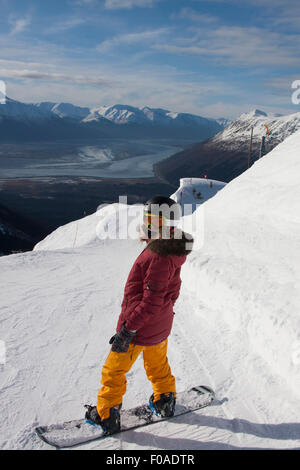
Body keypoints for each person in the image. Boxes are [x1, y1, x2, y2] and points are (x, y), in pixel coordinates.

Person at [85, 196, 194, 435]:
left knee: (114, 370)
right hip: (158, 325)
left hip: (139, 326)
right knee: (157, 364)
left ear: (168, 224)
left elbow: (152, 299)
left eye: (155, 219)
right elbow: (171, 291)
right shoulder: (167, 249)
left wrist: (129, 328)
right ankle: (165, 401)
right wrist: (163, 313)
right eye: (147, 218)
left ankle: (106, 415)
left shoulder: (159, 255)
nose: (149, 224)